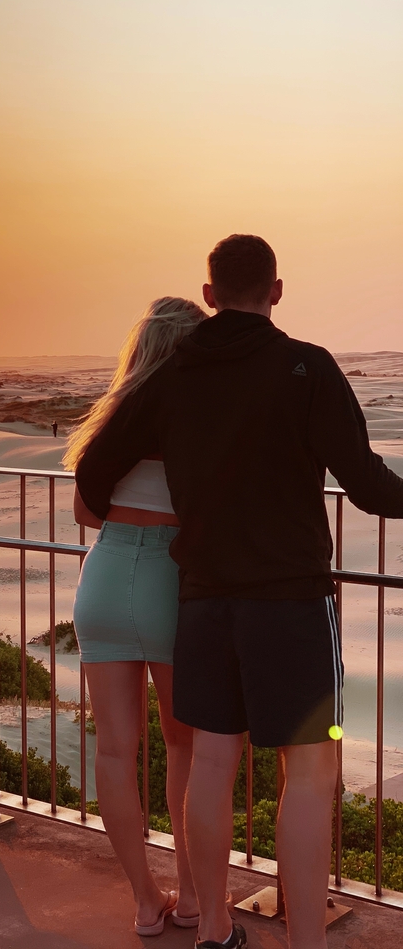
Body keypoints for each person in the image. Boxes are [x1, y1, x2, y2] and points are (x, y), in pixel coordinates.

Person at [75, 234, 403, 949]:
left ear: (211, 294)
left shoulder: (172, 377)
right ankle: (307, 942)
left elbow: (94, 472)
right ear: (276, 291)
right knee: (311, 770)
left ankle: (213, 931)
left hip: (202, 601)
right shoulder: (305, 366)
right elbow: (370, 487)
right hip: (290, 600)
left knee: (212, 766)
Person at [64, 296, 209, 936]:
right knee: (188, 744)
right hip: (170, 581)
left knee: (117, 753)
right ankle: (196, 893)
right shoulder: (197, 417)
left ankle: (146, 900)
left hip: (105, 572)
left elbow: (84, 514)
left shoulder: (112, 423)